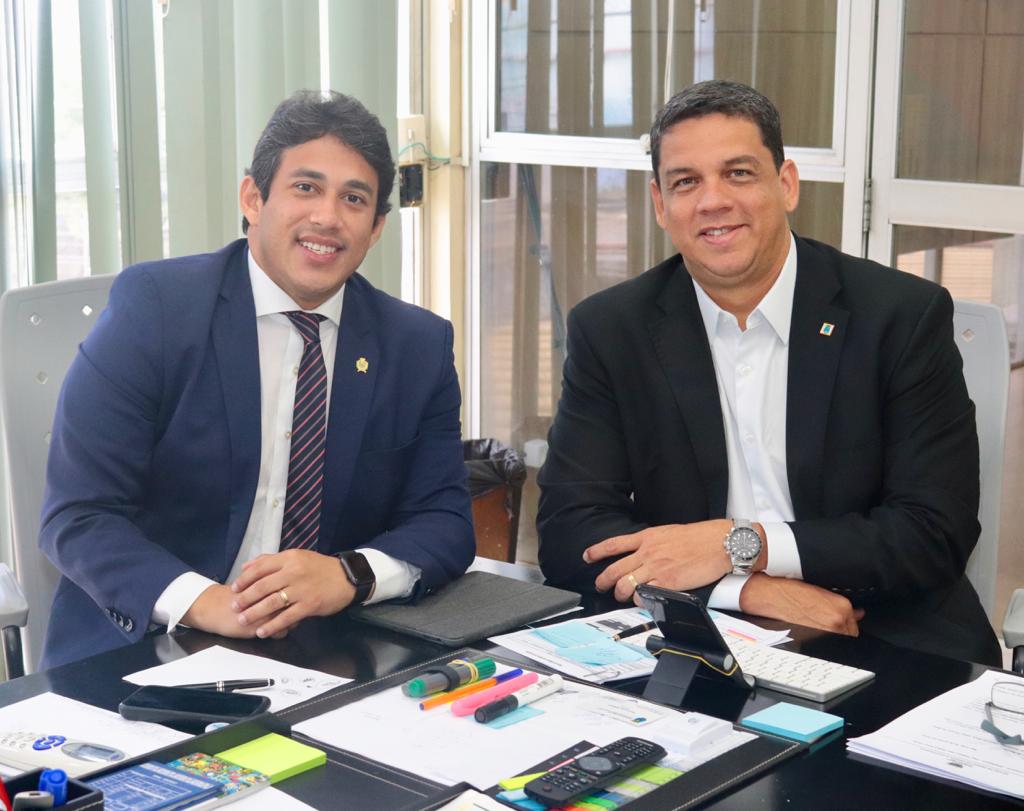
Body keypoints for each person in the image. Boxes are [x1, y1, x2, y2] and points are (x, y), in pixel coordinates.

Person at [537, 80, 1000, 666]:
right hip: (702, 630)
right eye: (686, 182)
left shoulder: (900, 316)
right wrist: (744, 587)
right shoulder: (611, 329)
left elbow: (933, 532)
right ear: (660, 204)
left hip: (884, 627)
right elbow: (570, 531)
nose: (712, 201)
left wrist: (743, 544)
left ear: (786, 185)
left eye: (738, 173)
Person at [39, 90, 475, 669]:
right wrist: (208, 603)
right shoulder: (157, 309)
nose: (327, 217)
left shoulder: (416, 345)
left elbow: (445, 522)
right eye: (306, 187)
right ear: (252, 198)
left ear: (375, 228)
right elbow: (78, 515)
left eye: (353, 198)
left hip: (321, 654)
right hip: (149, 647)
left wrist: (348, 575)